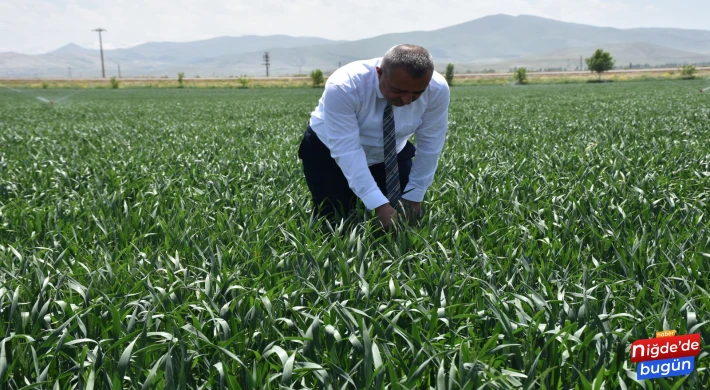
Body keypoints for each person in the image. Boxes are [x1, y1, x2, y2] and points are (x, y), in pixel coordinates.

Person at [297, 44, 450, 231]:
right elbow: (347, 150)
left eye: (417, 93)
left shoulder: (437, 88)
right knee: (336, 221)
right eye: (399, 91)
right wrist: (378, 205)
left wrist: (414, 196)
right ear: (379, 73)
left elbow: (430, 146)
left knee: (403, 217)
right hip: (328, 151)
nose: (407, 101)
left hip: (391, 153)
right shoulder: (345, 86)